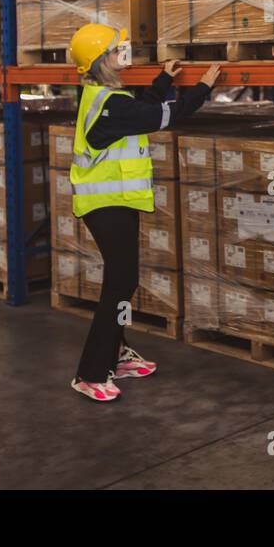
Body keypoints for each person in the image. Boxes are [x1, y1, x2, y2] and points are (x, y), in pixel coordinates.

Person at [66, 23, 221, 402]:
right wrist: (204, 87)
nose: (122, 51)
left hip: (117, 201)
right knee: (119, 284)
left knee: (125, 280)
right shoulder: (109, 104)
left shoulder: (107, 97)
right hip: (104, 205)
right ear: (101, 60)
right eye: (115, 48)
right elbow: (164, 116)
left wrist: (164, 80)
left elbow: (142, 110)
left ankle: (116, 354)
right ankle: (90, 373)